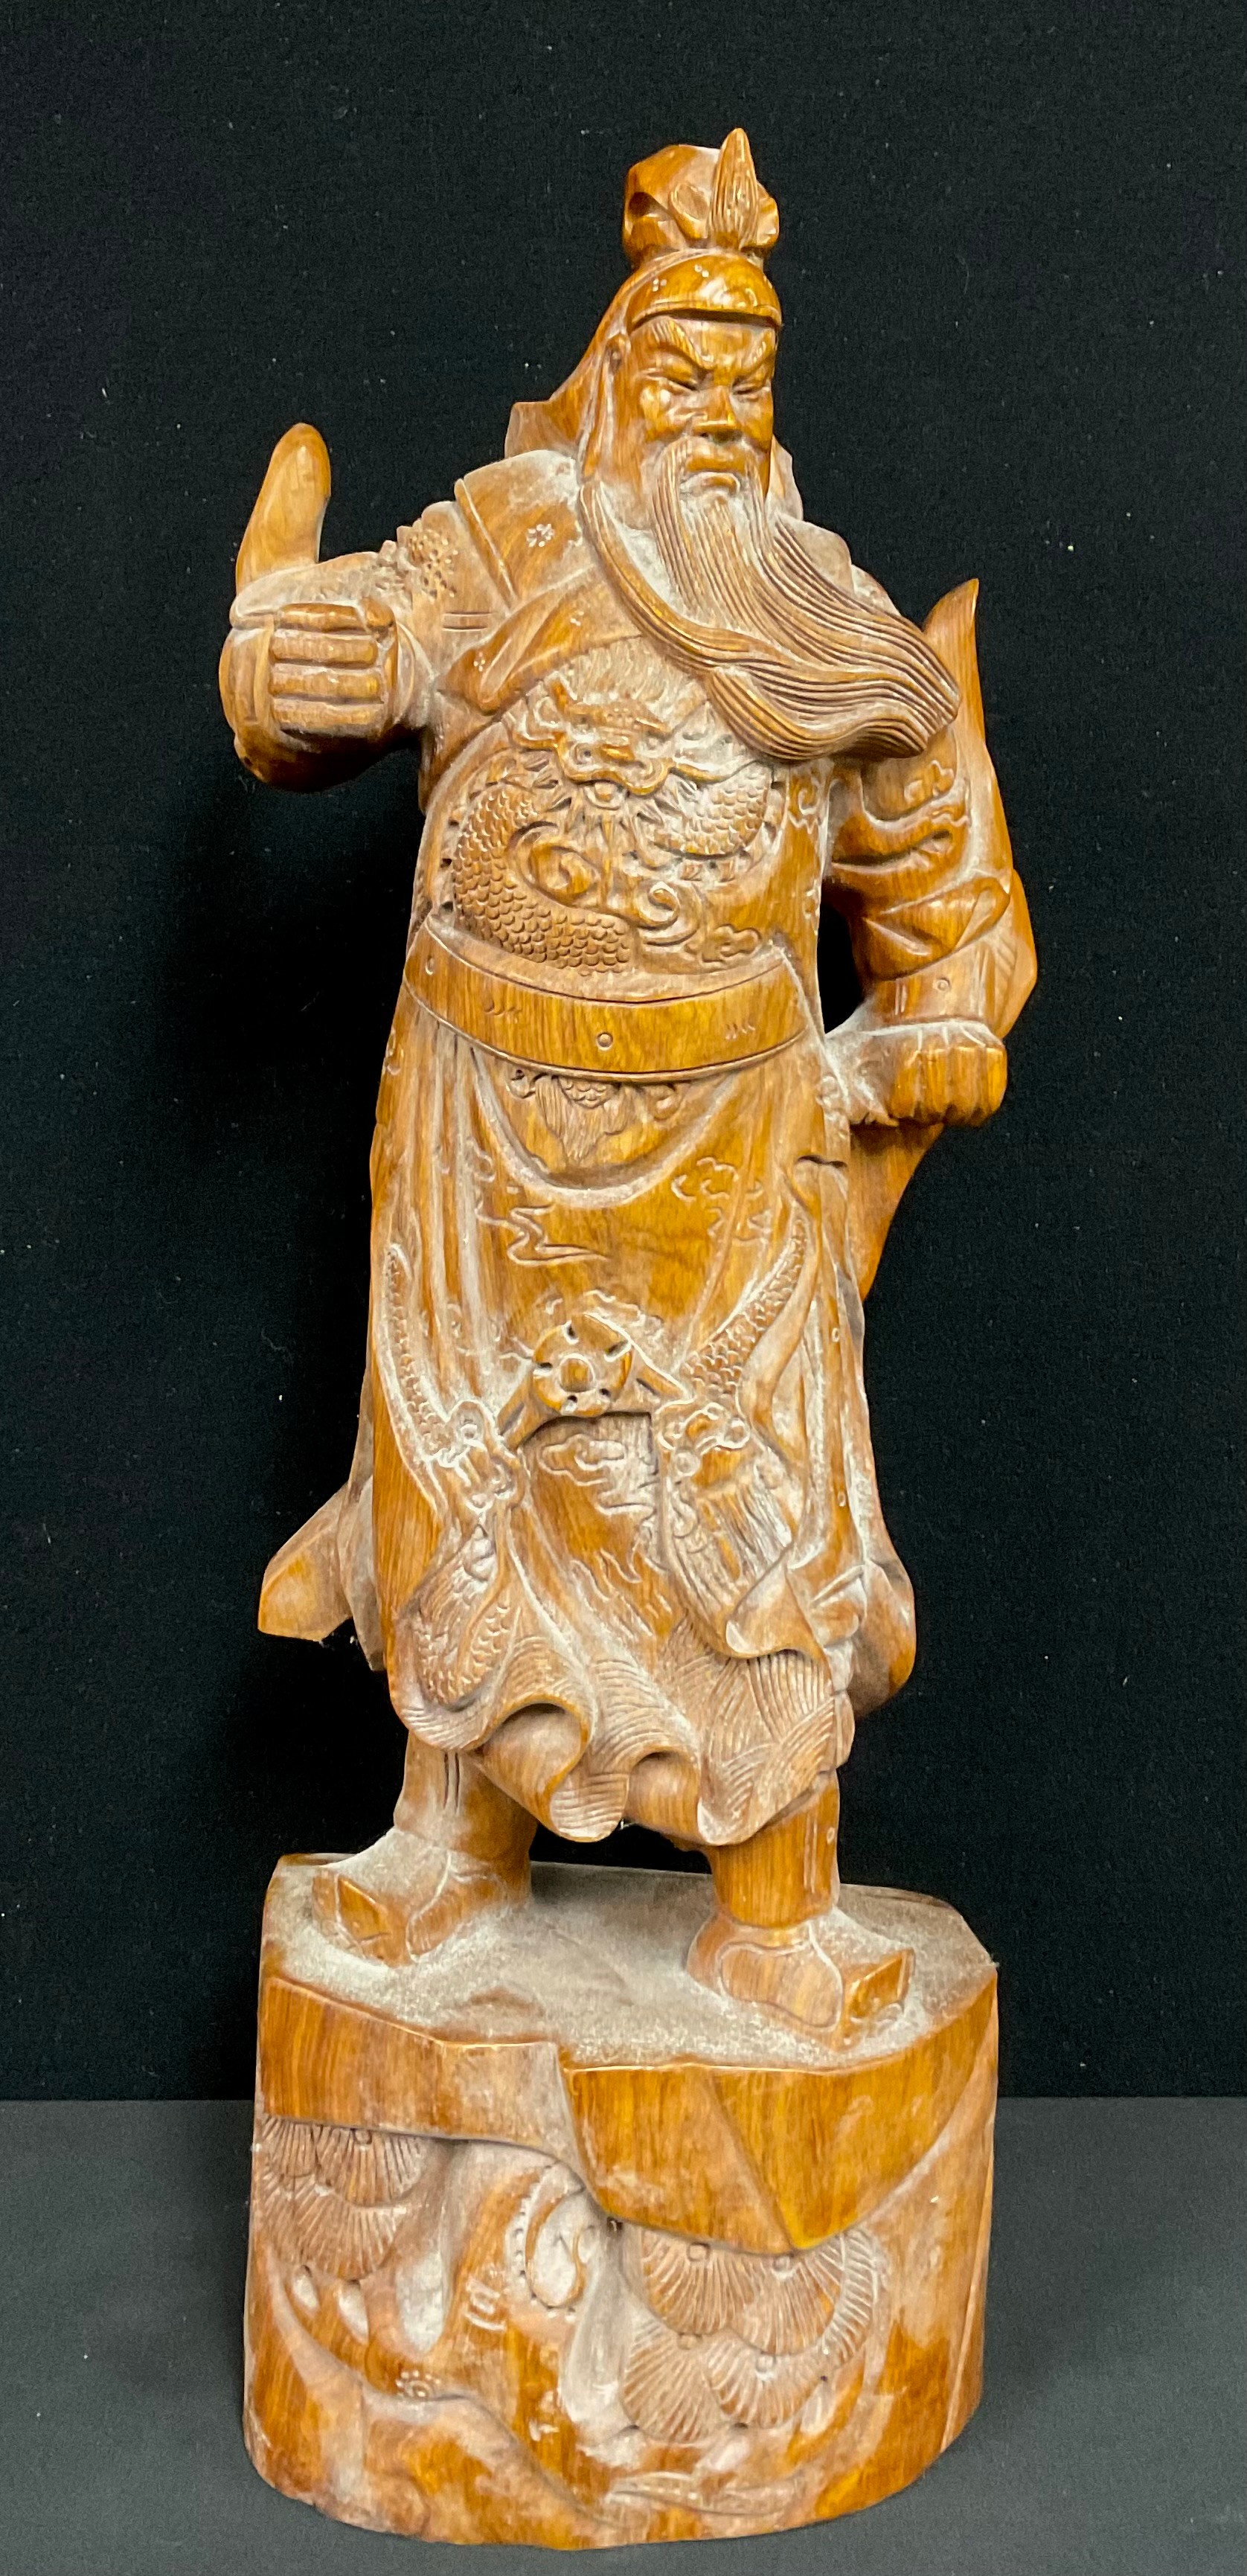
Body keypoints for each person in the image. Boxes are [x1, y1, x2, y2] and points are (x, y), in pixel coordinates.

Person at [220, 131, 1034, 2030]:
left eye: (746, 377)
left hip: (730, 1148)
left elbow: (937, 859)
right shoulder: (504, 541)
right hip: (481, 1124)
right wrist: (288, 667)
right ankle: (448, 1849)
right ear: (611, 369)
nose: (714, 407)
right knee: (467, 1480)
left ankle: (779, 1907)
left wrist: (929, 1010)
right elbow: (362, 640)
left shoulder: (819, 611)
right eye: (680, 368)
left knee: (751, 1519)